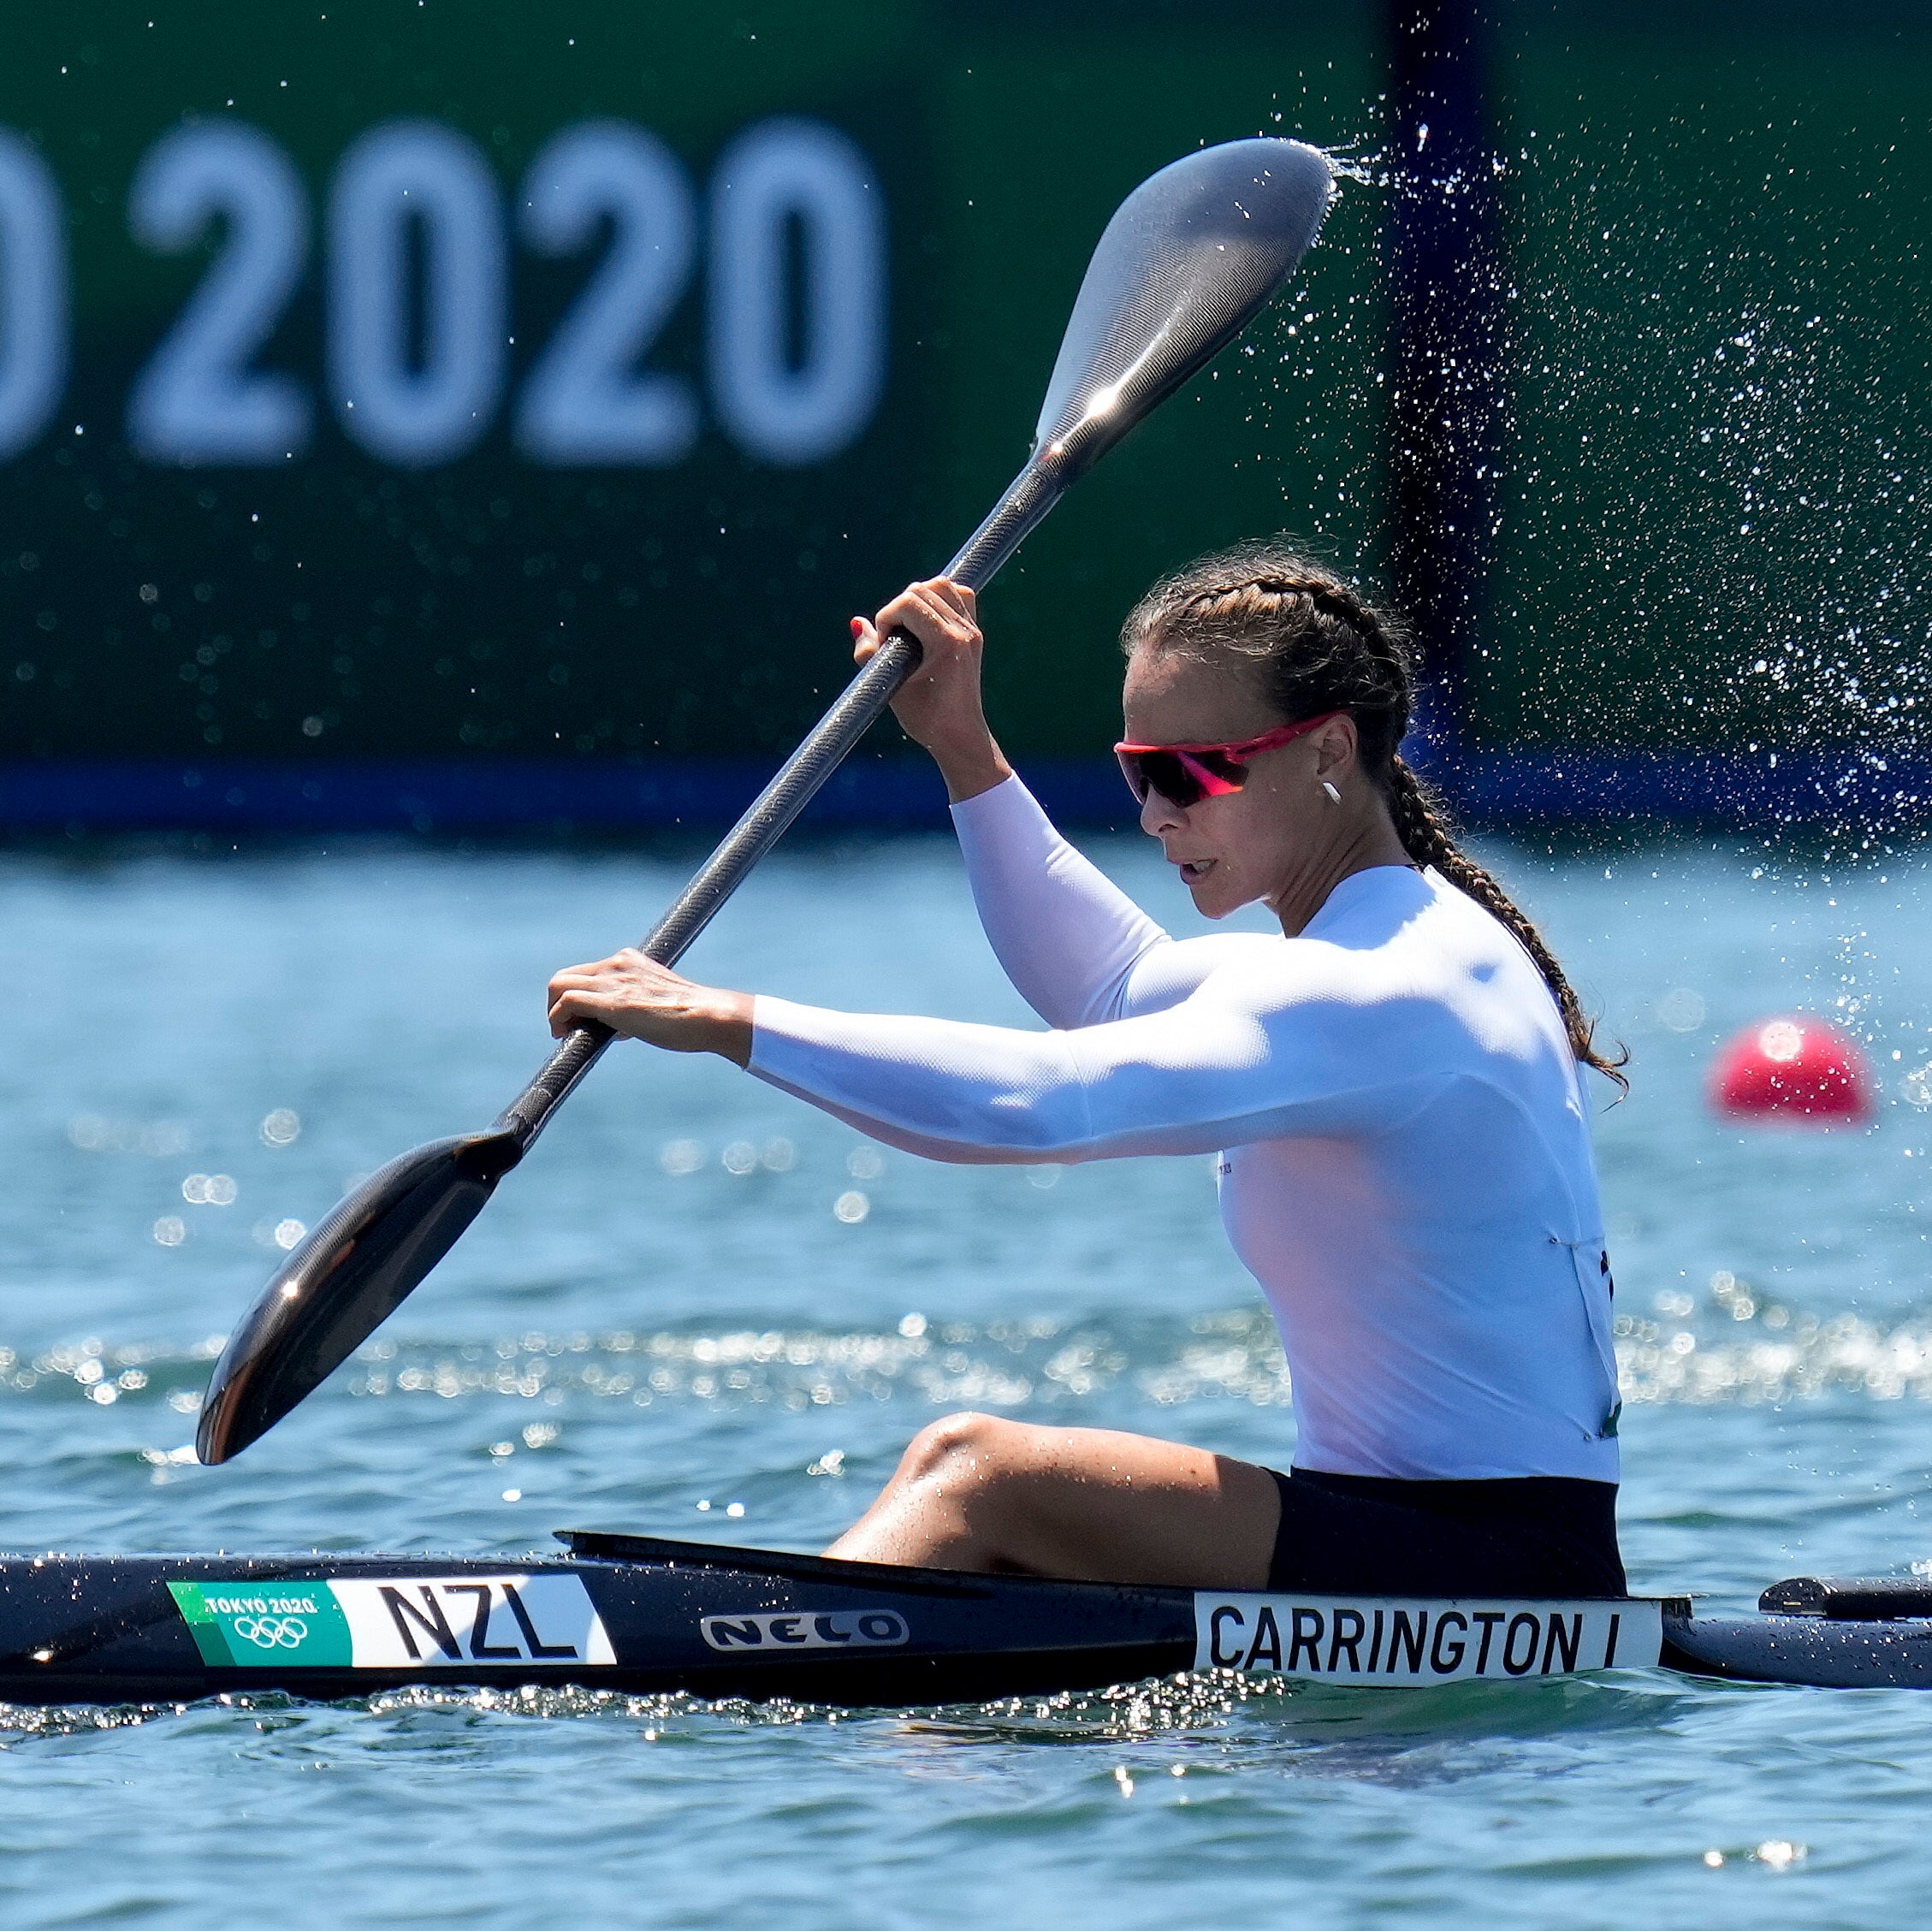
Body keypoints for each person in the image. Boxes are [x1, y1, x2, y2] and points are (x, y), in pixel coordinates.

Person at [542, 542, 1631, 1596]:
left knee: (979, 1474)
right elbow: (1114, 987)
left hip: (1491, 1567)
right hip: (1431, 1543)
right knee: (968, 1501)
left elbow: (1040, 1104)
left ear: (1328, 750)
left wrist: (731, 1016)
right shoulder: (1402, 945)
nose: (1156, 813)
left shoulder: (1384, 988)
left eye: (1188, 772)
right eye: (1134, 772)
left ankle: (755, 1661)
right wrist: (965, 750)